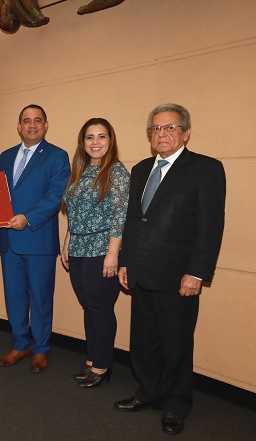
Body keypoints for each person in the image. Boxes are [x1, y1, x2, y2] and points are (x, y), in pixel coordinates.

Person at [115, 104, 225, 436]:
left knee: (176, 343)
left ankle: (176, 403)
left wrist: (197, 272)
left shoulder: (206, 169)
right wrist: (125, 261)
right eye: (156, 129)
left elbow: (210, 227)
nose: (162, 134)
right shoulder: (140, 169)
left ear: (186, 132)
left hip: (179, 277)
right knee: (144, 340)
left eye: (170, 128)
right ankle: (148, 392)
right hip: (141, 272)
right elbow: (135, 221)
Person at [0, 104, 70, 373]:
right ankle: (20, 344)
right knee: (14, 296)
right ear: (19, 126)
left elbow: (55, 197)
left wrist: (27, 217)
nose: (32, 125)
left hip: (37, 238)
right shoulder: (5, 156)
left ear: (46, 125)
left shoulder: (57, 156)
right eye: (26, 121)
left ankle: (40, 349)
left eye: (37, 120)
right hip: (9, 241)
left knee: (40, 298)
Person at [61, 118, 130, 387]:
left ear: (110, 141)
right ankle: (92, 359)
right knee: (88, 307)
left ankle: (102, 366)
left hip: (102, 250)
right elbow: (74, 213)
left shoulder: (117, 172)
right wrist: (67, 242)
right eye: (90, 137)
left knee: (100, 309)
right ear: (83, 142)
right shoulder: (79, 169)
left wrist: (113, 254)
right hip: (78, 248)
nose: (95, 142)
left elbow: (119, 216)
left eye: (102, 136)